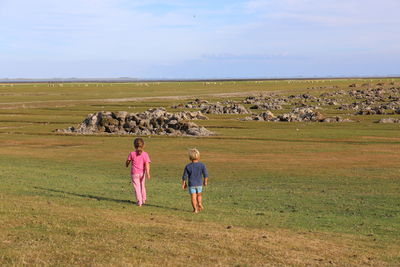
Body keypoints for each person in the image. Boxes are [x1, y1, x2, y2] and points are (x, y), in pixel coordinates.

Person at [181, 148, 208, 213]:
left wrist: (184, 184)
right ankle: (199, 203)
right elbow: (205, 174)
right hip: (199, 184)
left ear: (190, 158)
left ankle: (195, 209)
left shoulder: (188, 166)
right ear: (198, 157)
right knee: (199, 195)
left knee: (193, 197)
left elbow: (184, 176)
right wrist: (205, 181)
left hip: (192, 184)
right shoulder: (202, 165)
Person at [126, 138, 151, 206]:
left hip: (134, 173)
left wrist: (127, 164)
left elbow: (128, 161)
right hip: (142, 173)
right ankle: (143, 199)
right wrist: (148, 173)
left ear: (134, 145)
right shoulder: (145, 154)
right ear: (143, 145)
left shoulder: (132, 153)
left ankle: (139, 201)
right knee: (142, 186)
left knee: (137, 187)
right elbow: (147, 164)